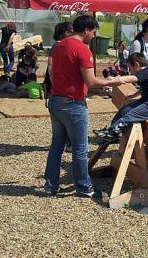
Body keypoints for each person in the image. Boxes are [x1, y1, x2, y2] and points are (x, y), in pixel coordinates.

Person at [44, 14, 123, 198]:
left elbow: (53, 73)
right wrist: (112, 82)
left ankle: (50, 185)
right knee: (80, 148)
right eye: (94, 32)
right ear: (86, 30)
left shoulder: (58, 46)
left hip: (56, 100)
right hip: (73, 104)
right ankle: (84, 187)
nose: (94, 36)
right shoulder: (82, 49)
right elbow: (91, 81)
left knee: (57, 145)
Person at [94, 53, 148, 144]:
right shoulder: (145, 73)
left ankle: (112, 132)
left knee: (130, 115)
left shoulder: (145, 72)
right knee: (124, 110)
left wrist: (116, 80)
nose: (130, 70)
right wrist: (133, 95)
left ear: (137, 65)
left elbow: (130, 79)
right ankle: (113, 134)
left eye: (130, 68)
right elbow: (144, 88)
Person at [43, 22, 73, 100]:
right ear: (66, 33)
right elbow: (50, 63)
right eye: (73, 32)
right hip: (56, 80)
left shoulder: (64, 45)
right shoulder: (58, 45)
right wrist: (52, 80)